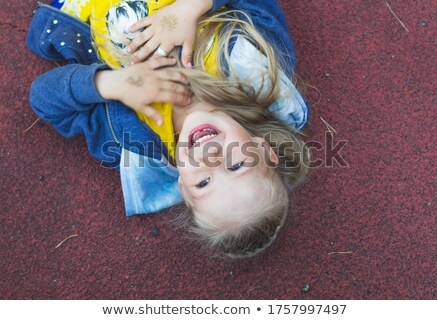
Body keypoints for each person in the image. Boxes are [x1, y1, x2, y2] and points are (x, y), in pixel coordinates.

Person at [27, 0, 310, 258]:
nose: (210, 157)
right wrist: (191, 7)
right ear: (263, 148)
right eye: (236, 164)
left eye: (203, 183)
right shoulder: (257, 67)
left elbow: (43, 99)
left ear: (184, 191)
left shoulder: (130, 143)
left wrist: (113, 84)